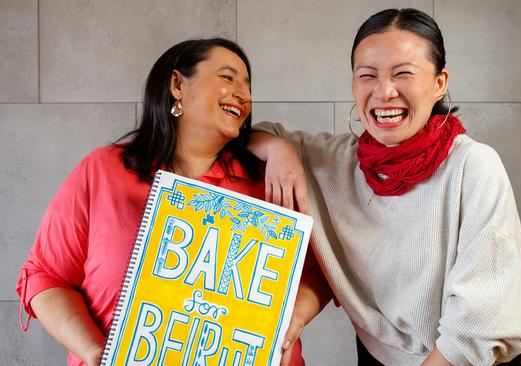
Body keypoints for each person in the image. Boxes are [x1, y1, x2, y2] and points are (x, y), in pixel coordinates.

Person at [250, 8, 521, 366]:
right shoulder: (335, 163)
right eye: (367, 75)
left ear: (440, 83)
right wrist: (279, 149)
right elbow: (245, 134)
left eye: (403, 74)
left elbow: (479, 320)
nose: (384, 91)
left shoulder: (473, 166)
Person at [15, 38, 311, 366]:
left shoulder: (269, 184)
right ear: (177, 84)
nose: (245, 94)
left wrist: (288, 326)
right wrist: (95, 353)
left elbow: (319, 269)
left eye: (248, 85)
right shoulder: (102, 171)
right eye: (228, 78)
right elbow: (46, 277)